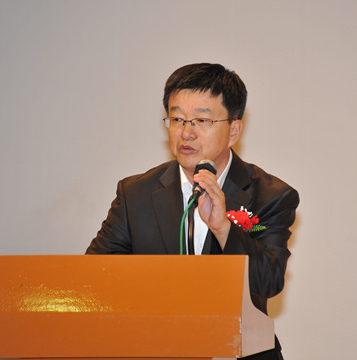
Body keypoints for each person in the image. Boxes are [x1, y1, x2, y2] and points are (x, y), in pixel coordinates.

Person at [86, 63, 299, 360]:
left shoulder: (271, 196)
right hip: (155, 350)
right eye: (177, 119)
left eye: (201, 120)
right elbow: (94, 277)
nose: (186, 133)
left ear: (234, 130)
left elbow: (268, 282)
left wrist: (224, 229)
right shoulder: (135, 194)